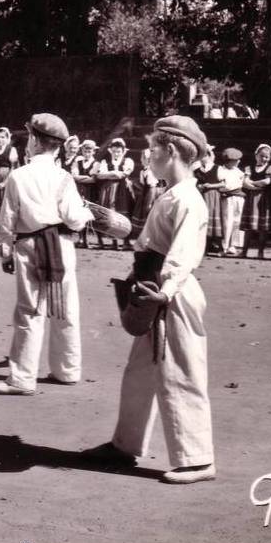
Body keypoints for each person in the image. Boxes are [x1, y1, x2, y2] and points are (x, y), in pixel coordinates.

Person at [84, 115, 216, 484]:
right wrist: (111, 222)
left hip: (170, 293)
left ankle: (198, 459)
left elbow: (183, 254)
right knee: (140, 371)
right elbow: (151, 241)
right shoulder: (171, 194)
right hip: (152, 287)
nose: (148, 156)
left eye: (152, 149)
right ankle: (125, 445)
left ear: (170, 150)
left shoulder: (189, 198)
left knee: (181, 371)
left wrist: (164, 292)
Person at [0, 113, 93, 395]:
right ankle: (66, 370)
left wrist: (5, 253)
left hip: (29, 246)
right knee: (65, 307)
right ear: (58, 146)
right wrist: (86, 213)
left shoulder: (18, 176)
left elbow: (6, 222)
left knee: (30, 310)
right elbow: (74, 219)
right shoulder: (64, 177)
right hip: (61, 247)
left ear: (34, 141)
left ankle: (22, 378)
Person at [94, 138, 134, 250]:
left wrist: (110, 174)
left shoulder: (128, 161)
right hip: (108, 189)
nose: (116, 153)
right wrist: (114, 173)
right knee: (110, 213)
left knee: (123, 213)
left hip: (123, 190)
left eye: (119, 151)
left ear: (123, 151)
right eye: (114, 151)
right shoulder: (104, 161)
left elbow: (124, 174)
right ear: (111, 150)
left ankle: (126, 241)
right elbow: (100, 175)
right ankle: (113, 241)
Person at [239, 143, 271, 259]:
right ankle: (244, 251)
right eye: (261, 156)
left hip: (264, 200)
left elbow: (267, 182)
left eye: (267, 157)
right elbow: (245, 182)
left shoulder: (270, 168)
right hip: (251, 199)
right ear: (256, 155)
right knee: (248, 227)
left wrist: (253, 183)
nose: (264, 159)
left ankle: (260, 252)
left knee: (262, 228)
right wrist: (255, 186)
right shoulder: (249, 168)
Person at [130, 148, 165, 242]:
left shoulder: (151, 172)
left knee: (148, 213)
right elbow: (143, 184)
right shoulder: (144, 171)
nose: (141, 160)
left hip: (151, 195)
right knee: (143, 216)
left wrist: (148, 203)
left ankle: (151, 239)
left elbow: (152, 187)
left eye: (143, 158)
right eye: (142, 158)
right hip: (145, 194)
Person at [194, 146, 223, 255]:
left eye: (204, 156)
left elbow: (223, 183)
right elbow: (194, 183)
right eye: (200, 157)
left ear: (210, 156)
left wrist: (211, 185)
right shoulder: (197, 170)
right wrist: (199, 186)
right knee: (202, 220)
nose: (202, 159)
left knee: (214, 220)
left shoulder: (217, 168)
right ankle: (204, 247)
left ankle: (219, 247)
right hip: (201, 196)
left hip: (213, 196)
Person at [71, 139, 99, 249]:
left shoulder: (96, 163)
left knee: (90, 213)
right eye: (85, 151)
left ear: (93, 152)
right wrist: (85, 178)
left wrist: (81, 178)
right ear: (82, 151)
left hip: (91, 191)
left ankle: (90, 238)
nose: (87, 153)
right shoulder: (77, 162)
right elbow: (74, 175)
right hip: (79, 190)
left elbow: (93, 179)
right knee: (80, 212)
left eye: (89, 151)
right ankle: (81, 237)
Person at [217, 148, 246, 256]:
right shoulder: (221, 170)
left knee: (237, 221)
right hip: (228, 198)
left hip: (239, 198)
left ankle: (233, 245)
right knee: (227, 222)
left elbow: (243, 183)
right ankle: (224, 246)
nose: (238, 162)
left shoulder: (239, 171)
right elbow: (224, 186)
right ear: (229, 160)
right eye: (236, 160)